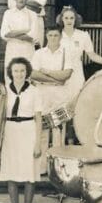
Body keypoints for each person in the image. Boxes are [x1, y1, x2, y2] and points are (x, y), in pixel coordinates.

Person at [0, 57, 42, 203]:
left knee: (29, 174)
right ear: (11, 73)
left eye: (22, 71)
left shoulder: (35, 91)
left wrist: (38, 142)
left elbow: (39, 118)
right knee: (12, 174)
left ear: (27, 72)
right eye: (16, 71)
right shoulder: (4, 91)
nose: (19, 74)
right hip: (11, 132)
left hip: (29, 131)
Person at [31, 27, 74, 164]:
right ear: (46, 36)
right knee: (42, 131)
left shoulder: (67, 53)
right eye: (50, 35)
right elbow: (33, 74)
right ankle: (42, 167)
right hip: (42, 94)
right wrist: (56, 79)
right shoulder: (38, 54)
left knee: (58, 132)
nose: (53, 38)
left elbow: (66, 75)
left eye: (56, 35)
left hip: (59, 96)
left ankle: (58, 167)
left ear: (60, 37)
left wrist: (47, 72)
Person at [57, 6, 102, 95]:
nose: (69, 21)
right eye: (66, 18)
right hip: (59, 72)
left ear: (76, 19)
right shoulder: (56, 35)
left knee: (76, 99)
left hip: (77, 73)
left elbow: (93, 56)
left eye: (72, 18)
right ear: (62, 19)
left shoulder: (83, 35)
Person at [0, 0, 38, 73]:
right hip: (12, 50)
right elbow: (4, 34)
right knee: (11, 77)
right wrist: (25, 30)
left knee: (27, 77)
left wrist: (13, 33)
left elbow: (33, 36)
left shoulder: (33, 15)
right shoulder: (8, 13)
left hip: (27, 51)